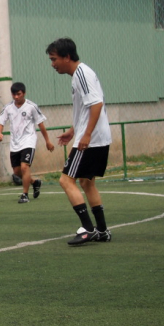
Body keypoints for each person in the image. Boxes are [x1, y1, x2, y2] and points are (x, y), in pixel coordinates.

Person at [46, 37, 112, 245]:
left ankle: (88, 228)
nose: (52, 64)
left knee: (66, 181)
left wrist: (86, 135)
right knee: (86, 182)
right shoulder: (79, 75)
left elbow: (96, 104)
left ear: (67, 57)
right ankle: (102, 231)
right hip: (96, 137)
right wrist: (74, 131)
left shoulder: (82, 74)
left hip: (92, 140)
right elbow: (87, 109)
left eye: (54, 59)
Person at [0, 82, 55, 203]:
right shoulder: (8, 107)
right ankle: (35, 182)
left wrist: (47, 141)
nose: (16, 97)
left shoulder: (31, 106)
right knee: (17, 172)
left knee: (24, 167)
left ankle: (25, 195)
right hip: (15, 143)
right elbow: (0, 122)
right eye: (14, 94)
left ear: (24, 93)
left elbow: (41, 124)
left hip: (28, 140)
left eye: (18, 94)